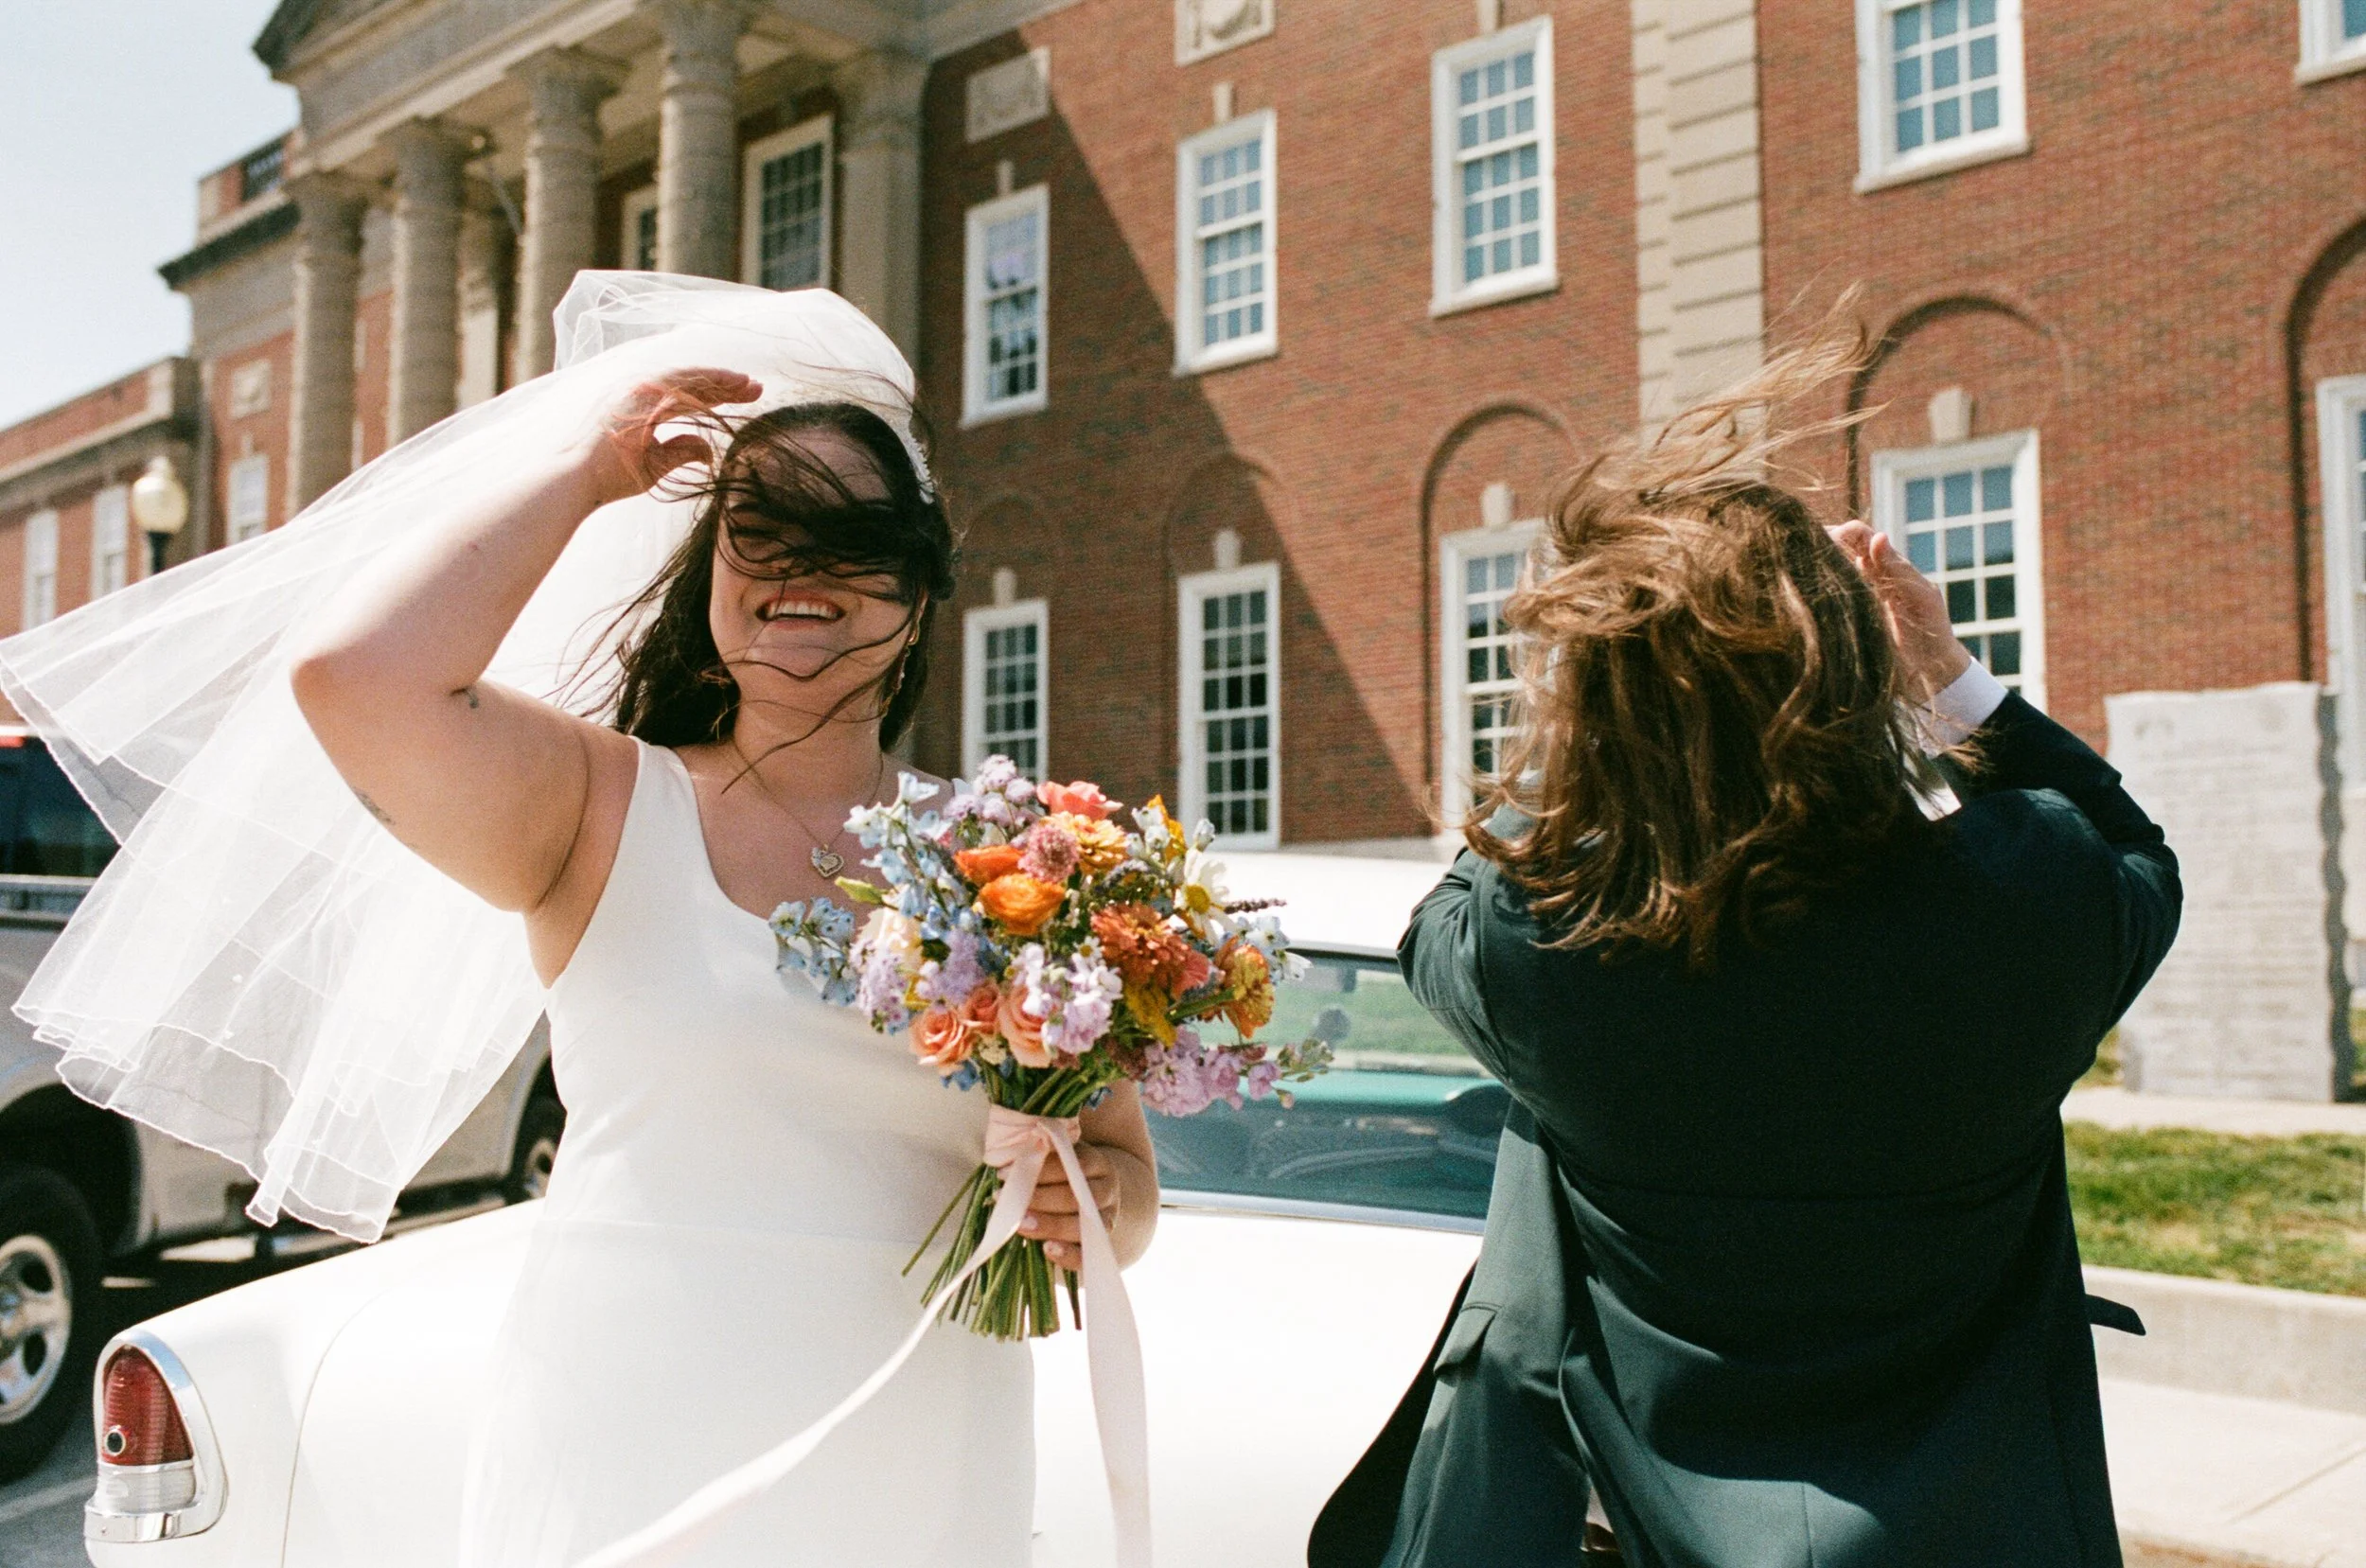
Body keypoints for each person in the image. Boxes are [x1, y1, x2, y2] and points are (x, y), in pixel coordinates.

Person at [1, 280, 1158, 1566]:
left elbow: (1125, 1183)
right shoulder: (600, 808)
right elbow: (353, 677)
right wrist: (583, 474)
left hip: (923, 1443)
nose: (800, 577)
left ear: (923, 582)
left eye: (854, 540)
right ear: (706, 571)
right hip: (626, 1433)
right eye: (759, 532)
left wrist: (1095, 1202)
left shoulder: (1024, 860)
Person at [1310, 325, 2178, 1568]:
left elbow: (1434, 921)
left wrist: (1598, 720)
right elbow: (2138, 857)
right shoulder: (2024, 900)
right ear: (1851, 663)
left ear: (1599, 698)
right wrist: (1948, 673)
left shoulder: (1546, 945)